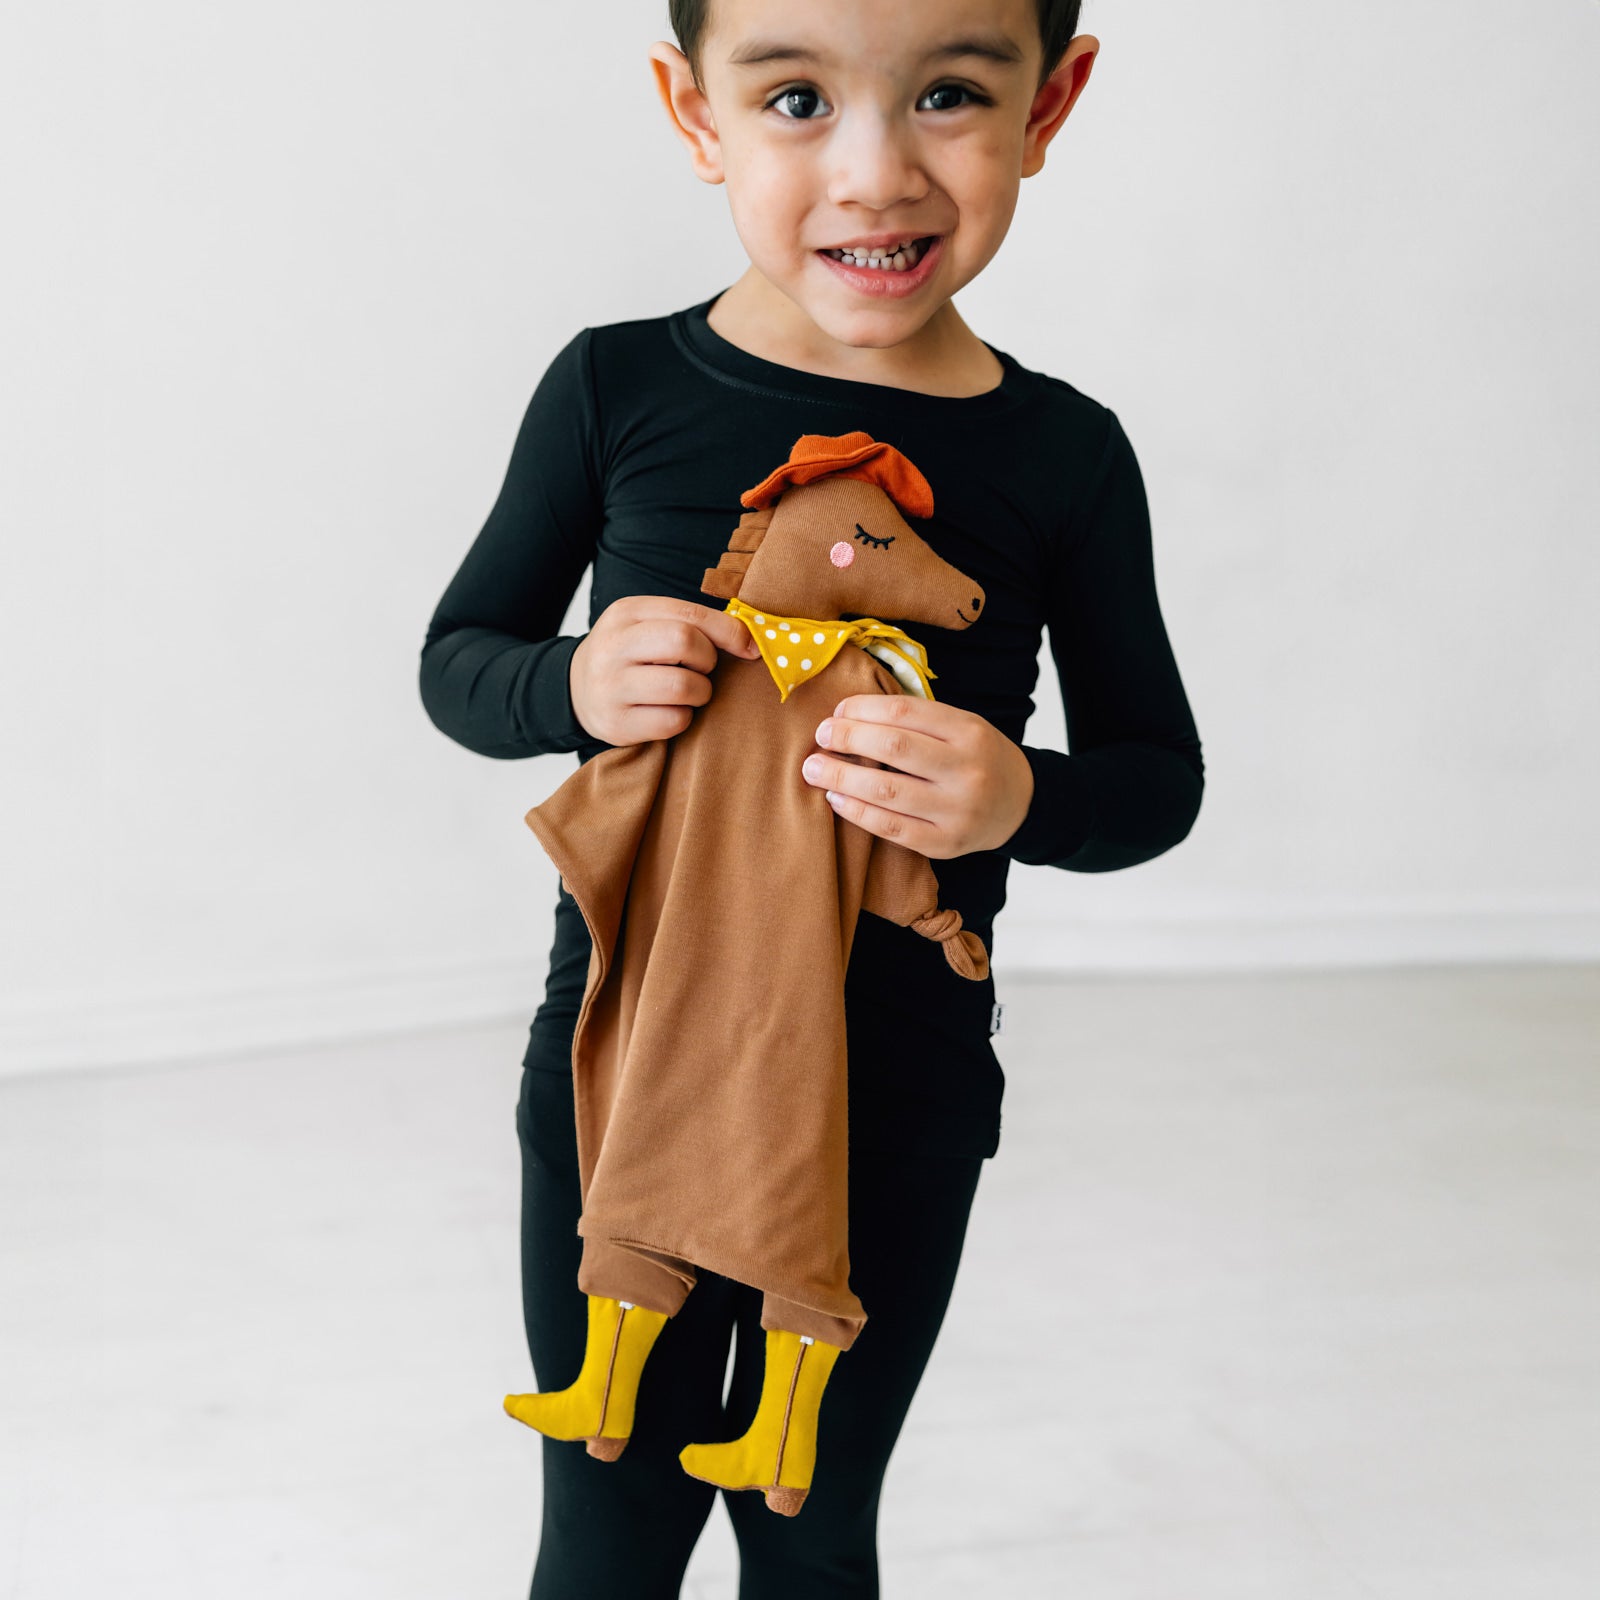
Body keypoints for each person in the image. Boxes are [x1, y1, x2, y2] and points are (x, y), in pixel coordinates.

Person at [418, 1, 1204, 1594]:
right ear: (695, 112)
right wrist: (565, 684)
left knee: (809, 1515)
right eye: (794, 97)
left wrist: (1015, 799)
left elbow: (1155, 782)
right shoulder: (613, 389)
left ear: (1052, 103)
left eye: (948, 94)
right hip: (627, 1081)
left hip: (892, 1103)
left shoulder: (1066, 457)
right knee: (607, 1515)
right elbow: (458, 660)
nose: (875, 171)